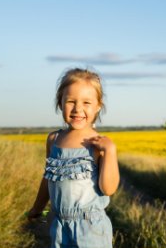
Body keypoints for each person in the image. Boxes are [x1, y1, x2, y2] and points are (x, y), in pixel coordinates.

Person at [28, 68, 120, 247]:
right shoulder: (54, 139)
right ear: (60, 103)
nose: (78, 109)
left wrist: (110, 151)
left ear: (98, 106)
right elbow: (48, 178)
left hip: (90, 229)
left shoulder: (97, 144)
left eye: (86, 102)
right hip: (59, 225)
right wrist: (37, 208)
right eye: (71, 101)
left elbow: (108, 189)